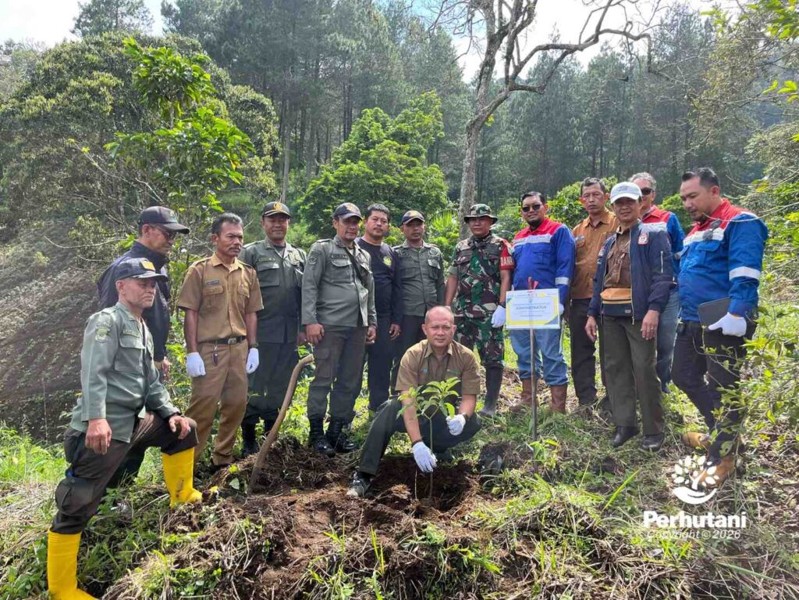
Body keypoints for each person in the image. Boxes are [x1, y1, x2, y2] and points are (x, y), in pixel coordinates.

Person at [47, 258, 201, 600]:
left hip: (136, 421)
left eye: (153, 283)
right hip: (105, 427)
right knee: (77, 502)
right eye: (142, 282)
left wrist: (170, 412)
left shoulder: (142, 327)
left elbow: (150, 382)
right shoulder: (107, 321)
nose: (150, 288)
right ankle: (62, 589)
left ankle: (183, 499)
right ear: (121, 286)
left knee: (184, 430)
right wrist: (96, 418)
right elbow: (93, 372)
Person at [672, 168, 767, 485]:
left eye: (693, 196)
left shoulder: (740, 222)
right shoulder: (696, 230)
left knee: (723, 387)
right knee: (682, 375)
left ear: (714, 191)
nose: (687, 204)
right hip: (692, 319)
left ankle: (723, 457)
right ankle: (720, 433)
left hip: (724, 319)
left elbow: (746, 272)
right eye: (684, 198)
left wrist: (738, 313)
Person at [97, 207, 190, 487]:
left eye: (175, 234)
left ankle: (122, 493)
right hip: (127, 369)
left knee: (141, 431)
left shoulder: (157, 267)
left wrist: (160, 355)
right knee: (124, 432)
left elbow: (155, 317)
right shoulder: (123, 268)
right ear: (147, 230)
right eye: (167, 233)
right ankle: (105, 498)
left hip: (149, 364)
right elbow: (110, 323)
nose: (172, 239)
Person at [347, 306, 482, 498]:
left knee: (473, 421)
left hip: (442, 415)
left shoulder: (466, 357)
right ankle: (364, 475)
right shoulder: (413, 355)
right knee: (388, 409)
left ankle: (438, 447)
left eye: (446, 327)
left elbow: (469, 397)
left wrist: (461, 417)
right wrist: (417, 443)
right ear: (425, 329)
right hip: (415, 414)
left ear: (453, 329)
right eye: (435, 327)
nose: (440, 332)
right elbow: (407, 401)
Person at [586, 182, 673, 450]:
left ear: (640, 204)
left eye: (629, 202)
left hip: (638, 314)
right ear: (613, 206)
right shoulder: (610, 241)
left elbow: (663, 276)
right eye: (619, 203)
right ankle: (625, 424)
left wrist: (654, 310)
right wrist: (592, 313)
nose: (624, 207)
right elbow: (599, 280)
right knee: (615, 368)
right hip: (610, 314)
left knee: (644, 369)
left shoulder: (653, 234)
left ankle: (653, 429)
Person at [177, 213, 263, 470]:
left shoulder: (248, 273)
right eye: (231, 236)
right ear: (215, 238)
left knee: (236, 406)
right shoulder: (200, 270)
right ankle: (187, 465)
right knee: (202, 409)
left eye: (240, 237)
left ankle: (221, 460)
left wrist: (253, 347)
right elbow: (191, 313)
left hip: (239, 348)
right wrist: (192, 352)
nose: (237, 242)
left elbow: (251, 313)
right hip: (210, 350)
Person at [302, 203, 377, 456]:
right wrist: (310, 321)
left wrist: (372, 322)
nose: (352, 227)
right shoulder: (322, 249)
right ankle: (316, 434)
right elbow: (309, 286)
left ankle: (335, 432)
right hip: (330, 326)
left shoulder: (363, 255)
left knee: (349, 381)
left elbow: (369, 292)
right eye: (347, 222)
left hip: (357, 327)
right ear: (335, 223)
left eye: (355, 222)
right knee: (323, 378)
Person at [239, 201, 306, 456]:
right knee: (254, 384)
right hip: (260, 333)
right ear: (263, 223)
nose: (278, 224)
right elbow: (241, 295)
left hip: (289, 334)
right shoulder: (251, 253)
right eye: (272, 219)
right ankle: (248, 439)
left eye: (282, 219)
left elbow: (305, 296)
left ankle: (270, 434)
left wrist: (303, 327)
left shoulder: (299, 255)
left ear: (288, 223)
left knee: (280, 385)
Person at [505, 191, 575, 413]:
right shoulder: (519, 237)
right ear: (521, 212)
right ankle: (528, 399)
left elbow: (565, 266)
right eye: (526, 208)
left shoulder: (559, 231)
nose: (531, 211)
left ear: (546, 207)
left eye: (536, 206)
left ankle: (557, 406)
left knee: (551, 353)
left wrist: (560, 299)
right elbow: (514, 270)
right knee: (524, 351)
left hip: (547, 303)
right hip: (520, 304)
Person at [444, 204, 513, 417]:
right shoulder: (461, 247)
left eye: (482, 219)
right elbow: (453, 277)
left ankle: (490, 405)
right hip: (462, 313)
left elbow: (506, 277)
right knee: (457, 359)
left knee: (492, 359)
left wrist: (502, 306)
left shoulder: (501, 245)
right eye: (472, 219)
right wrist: (447, 306)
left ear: (490, 221)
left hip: (489, 313)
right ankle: (455, 402)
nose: (477, 222)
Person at [630, 172, 685, 393]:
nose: (641, 196)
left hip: (668, 292)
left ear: (653, 194)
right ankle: (641, 385)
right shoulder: (623, 220)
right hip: (637, 292)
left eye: (645, 191)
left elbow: (680, 253)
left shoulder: (668, 218)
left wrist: (676, 282)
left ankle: (662, 383)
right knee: (639, 340)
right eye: (636, 191)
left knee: (665, 340)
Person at [570, 178, 618, 410]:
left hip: (611, 298)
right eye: (586, 196)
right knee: (580, 351)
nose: (591, 199)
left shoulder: (618, 222)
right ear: (581, 200)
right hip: (580, 297)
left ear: (606, 197)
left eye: (596, 194)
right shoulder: (577, 230)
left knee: (612, 351)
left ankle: (614, 399)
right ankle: (586, 400)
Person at [355, 203, 403, 413]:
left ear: (388, 226)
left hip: (384, 319)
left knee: (382, 366)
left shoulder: (390, 252)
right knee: (352, 368)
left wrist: (396, 320)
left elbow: (397, 288)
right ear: (365, 222)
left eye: (384, 221)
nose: (379, 224)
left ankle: (378, 410)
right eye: (375, 219)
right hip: (355, 317)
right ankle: (344, 415)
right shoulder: (354, 247)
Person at [392, 210, 445, 388]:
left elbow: (440, 283)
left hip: (431, 315)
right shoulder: (396, 254)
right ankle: (398, 395)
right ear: (402, 229)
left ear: (424, 226)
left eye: (418, 224)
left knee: (432, 355)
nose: (415, 229)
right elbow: (393, 286)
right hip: (407, 314)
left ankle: (428, 394)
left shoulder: (435, 252)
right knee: (404, 356)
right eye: (410, 225)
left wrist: (442, 310)